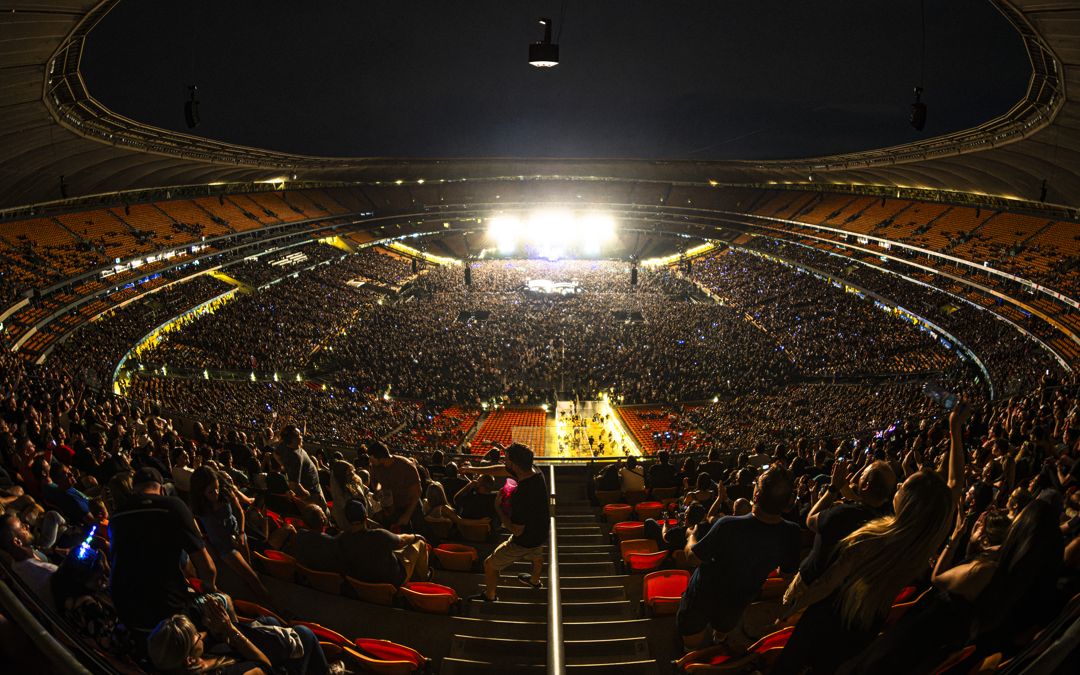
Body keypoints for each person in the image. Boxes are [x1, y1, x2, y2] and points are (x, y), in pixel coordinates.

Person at [676, 467, 802, 650]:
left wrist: (690, 537)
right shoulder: (792, 533)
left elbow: (692, 558)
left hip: (703, 597)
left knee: (692, 643)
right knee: (723, 629)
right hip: (739, 600)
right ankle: (719, 644)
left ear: (756, 496)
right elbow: (786, 573)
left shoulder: (728, 525)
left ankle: (693, 660)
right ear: (788, 503)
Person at [108, 467, 217, 633]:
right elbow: (207, 568)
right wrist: (210, 591)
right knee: (224, 601)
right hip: (168, 616)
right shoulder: (173, 507)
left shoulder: (116, 517)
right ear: (162, 489)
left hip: (127, 614)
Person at [147, 595, 328, 675]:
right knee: (305, 634)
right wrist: (230, 630)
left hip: (241, 655)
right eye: (197, 637)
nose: (201, 635)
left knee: (269, 622)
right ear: (188, 659)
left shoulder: (173, 662)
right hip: (270, 668)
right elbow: (265, 666)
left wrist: (218, 630)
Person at [465, 443, 549, 600]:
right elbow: (500, 470)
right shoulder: (534, 471)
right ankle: (534, 581)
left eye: (506, 459)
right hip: (542, 530)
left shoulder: (521, 494)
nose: (504, 462)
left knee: (490, 564)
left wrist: (498, 509)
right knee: (537, 554)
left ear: (515, 465)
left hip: (525, 539)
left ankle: (490, 596)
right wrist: (473, 470)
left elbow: (517, 531)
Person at [798, 459, 896, 584]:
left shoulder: (843, 513)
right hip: (846, 586)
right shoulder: (887, 519)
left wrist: (833, 489)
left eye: (862, 476)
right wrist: (843, 484)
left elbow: (810, 521)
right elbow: (858, 500)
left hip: (813, 580)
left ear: (866, 485)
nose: (858, 478)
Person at [188, 467, 271, 605]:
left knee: (249, 570)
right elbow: (193, 523)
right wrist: (205, 542)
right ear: (200, 492)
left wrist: (242, 533)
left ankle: (255, 597)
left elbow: (239, 511)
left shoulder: (225, 491)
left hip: (238, 534)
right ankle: (272, 607)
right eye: (211, 491)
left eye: (217, 488)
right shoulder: (197, 506)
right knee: (253, 579)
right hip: (224, 547)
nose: (216, 492)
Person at [337, 498, 428, 585]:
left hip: (362, 580)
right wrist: (415, 536)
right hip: (393, 579)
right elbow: (402, 541)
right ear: (366, 516)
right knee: (420, 544)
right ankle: (423, 581)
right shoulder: (379, 535)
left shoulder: (343, 538)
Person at [367, 441, 422, 531]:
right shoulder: (375, 466)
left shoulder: (406, 466)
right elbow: (377, 483)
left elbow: (417, 493)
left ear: (380, 458)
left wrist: (407, 515)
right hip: (392, 509)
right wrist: (378, 491)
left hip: (410, 507)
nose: (369, 460)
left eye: (371, 457)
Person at [272, 425, 327, 510]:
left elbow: (275, 454)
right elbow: (294, 485)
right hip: (313, 493)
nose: (301, 437)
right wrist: (307, 494)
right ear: (292, 439)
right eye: (298, 435)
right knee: (322, 516)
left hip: (315, 488)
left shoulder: (284, 445)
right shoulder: (295, 458)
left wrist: (284, 465)